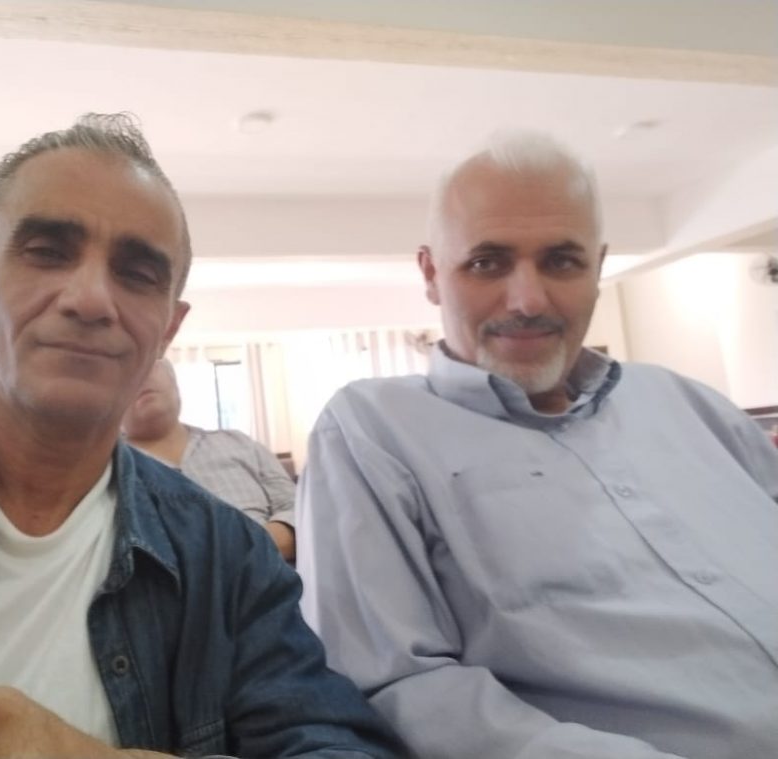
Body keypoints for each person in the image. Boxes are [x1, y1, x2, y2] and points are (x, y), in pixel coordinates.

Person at [0, 113, 403, 759]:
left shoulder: (225, 557)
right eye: (47, 251)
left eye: (138, 273)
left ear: (169, 328)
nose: (91, 299)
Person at [296, 130, 778, 759]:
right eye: (487, 263)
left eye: (561, 261)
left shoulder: (692, 405)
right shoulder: (373, 430)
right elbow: (398, 686)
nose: (527, 300)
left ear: (598, 268)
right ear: (431, 274)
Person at [122, 358, 296, 561]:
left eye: (149, 363)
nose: (141, 376)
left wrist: (252, 550)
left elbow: (298, 510)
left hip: (282, 573)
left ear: (175, 384)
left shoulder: (242, 444)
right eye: (125, 372)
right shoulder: (106, 471)